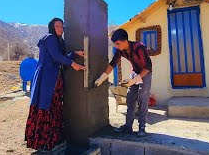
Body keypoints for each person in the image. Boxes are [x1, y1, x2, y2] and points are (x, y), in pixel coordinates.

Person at [24, 18, 85, 152]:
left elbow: (62, 57)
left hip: (55, 78)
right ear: (52, 27)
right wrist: (73, 64)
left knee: (54, 106)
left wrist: (75, 54)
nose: (60, 29)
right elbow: (56, 56)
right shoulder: (50, 38)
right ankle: (43, 141)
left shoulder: (60, 41)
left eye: (62, 26)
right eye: (57, 26)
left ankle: (52, 139)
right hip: (46, 77)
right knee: (46, 105)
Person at [95, 29, 152, 137]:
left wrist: (134, 80)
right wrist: (102, 78)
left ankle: (142, 127)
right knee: (130, 99)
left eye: (118, 43)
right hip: (135, 72)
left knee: (143, 98)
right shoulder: (121, 50)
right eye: (115, 44)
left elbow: (148, 67)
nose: (116, 46)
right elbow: (112, 64)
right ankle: (128, 127)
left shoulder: (139, 47)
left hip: (146, 73)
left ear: (125, 41)